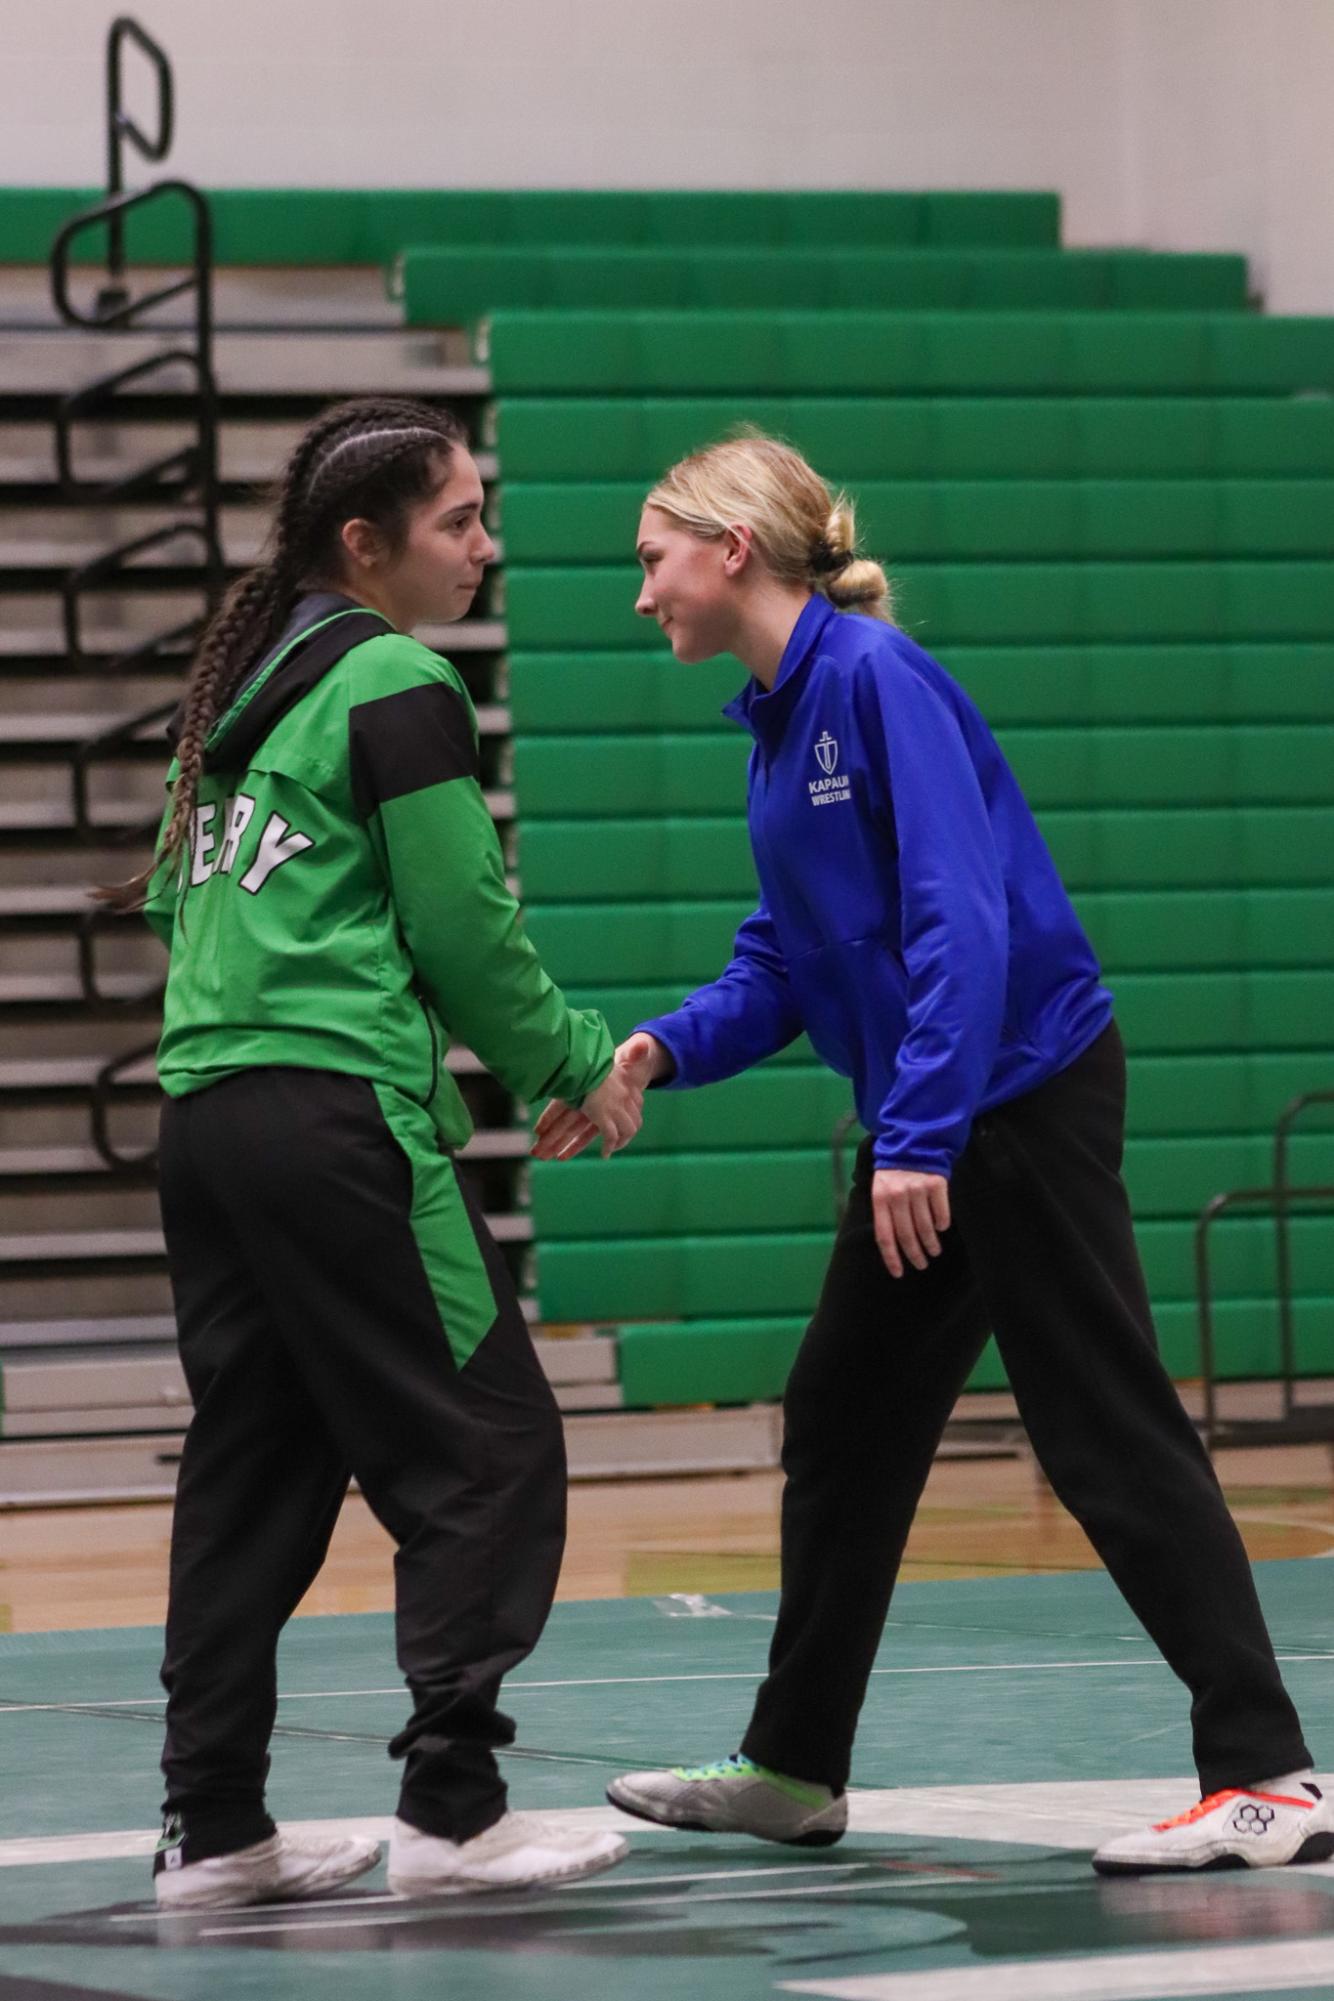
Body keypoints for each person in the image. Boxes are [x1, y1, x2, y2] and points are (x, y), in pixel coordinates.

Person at [533, 432, 1331, 1877]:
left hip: (1015, 1094)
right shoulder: (778, 727)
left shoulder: (873, 679)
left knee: (1100, 1421)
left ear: (730, 548)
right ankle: (792, 1766)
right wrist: (658, 1047)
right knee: (840, 1412)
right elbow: (784, 959)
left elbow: (958, 914)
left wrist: (918, 1135)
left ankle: (1265, 1770)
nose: (639, 594)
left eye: (650, 559)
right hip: (938, 1112)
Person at [105, 396, 640, 1910]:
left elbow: (174, 910)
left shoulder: (243, 689)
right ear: (367, 542)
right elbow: (466, 931)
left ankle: (211, 1833)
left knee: (255, 1474)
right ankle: (451, 1812)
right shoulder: (396, 681)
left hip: (205, 1120)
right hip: (333, 1122)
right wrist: (576, 1065)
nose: (486, 543)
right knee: (488, 1446)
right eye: (459, 519)